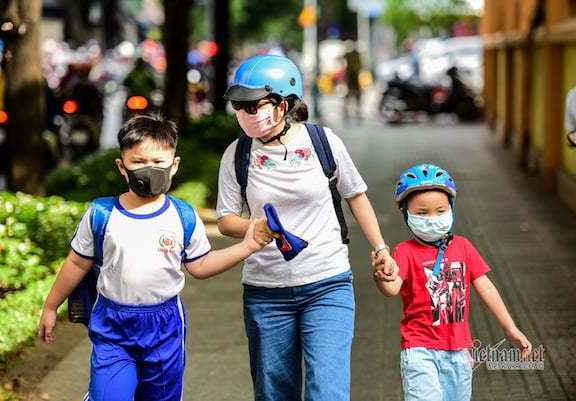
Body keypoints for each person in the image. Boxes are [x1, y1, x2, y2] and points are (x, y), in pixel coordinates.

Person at [38, 113, 264, 401]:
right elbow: (77, 262)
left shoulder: (182, 216)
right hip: (113, 325)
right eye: (139, 162)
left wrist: (246, 247)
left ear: (174, 165)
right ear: (122, 166)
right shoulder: (101, 214)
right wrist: (50, 307)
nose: (149, 169)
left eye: (158, 163)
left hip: (165, 326)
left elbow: (201, 265)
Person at [217, 54, 397, 401]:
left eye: (254, 105)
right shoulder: (236, 155)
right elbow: (224, 219)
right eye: (240, 105)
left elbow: (356, 195)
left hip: (327, 285)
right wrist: (254, 229)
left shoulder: (322, 142)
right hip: (265, 292)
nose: (245, 114)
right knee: (274, 395)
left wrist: (381, 249)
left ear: (284, 103)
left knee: (327, 392)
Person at [373, 163, 532, 401]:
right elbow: (392, 287)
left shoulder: (464, 247)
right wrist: (381, 277)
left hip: (459, 351)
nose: (432, 218)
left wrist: (510, 328)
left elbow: (486, 287)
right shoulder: (404, 251)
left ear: (452, 209)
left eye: (440, 210)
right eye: (422, 213)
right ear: (405, 213)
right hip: (419, 350)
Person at [342, 41, 363, 119]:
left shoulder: (354, 55)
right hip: (351, 78)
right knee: (352, 95)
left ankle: (354, 111)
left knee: (354, 95)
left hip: (353, 79)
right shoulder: (353, 55)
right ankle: (349, 111)